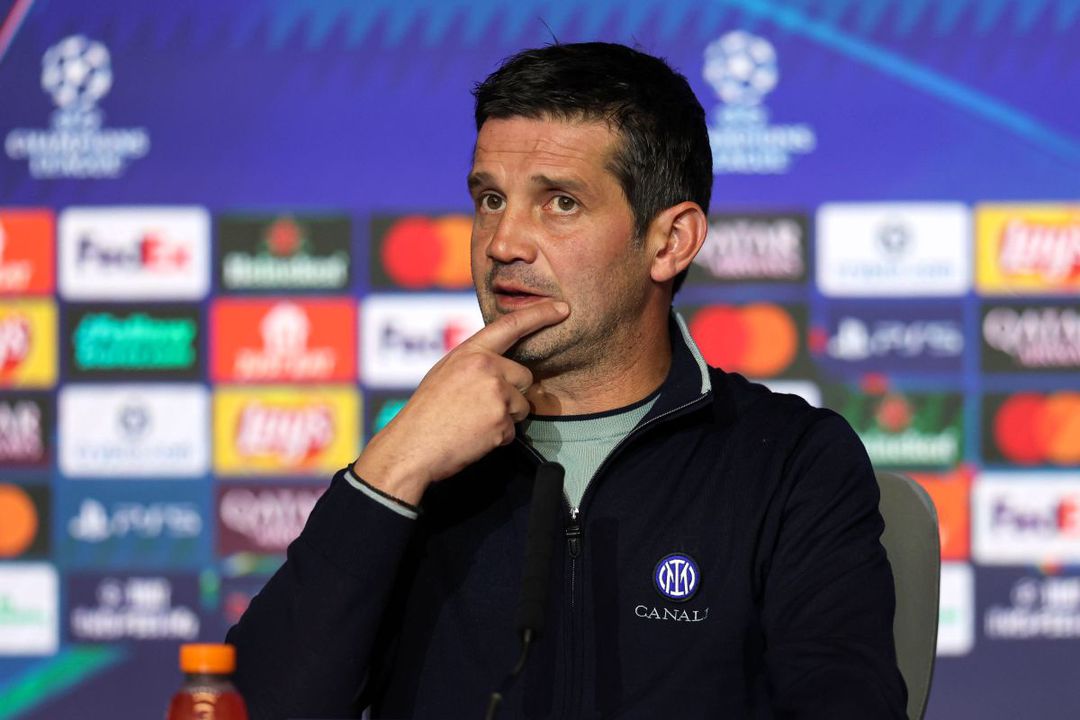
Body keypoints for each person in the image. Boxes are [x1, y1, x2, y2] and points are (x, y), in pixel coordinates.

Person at [227, 42, 907, 719]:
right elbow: (247, 710)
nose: (503, 242)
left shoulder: (790, 460)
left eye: (559, 203)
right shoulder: (418, 464)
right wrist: (392, 469)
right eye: (491, 199)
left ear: (670, 242)